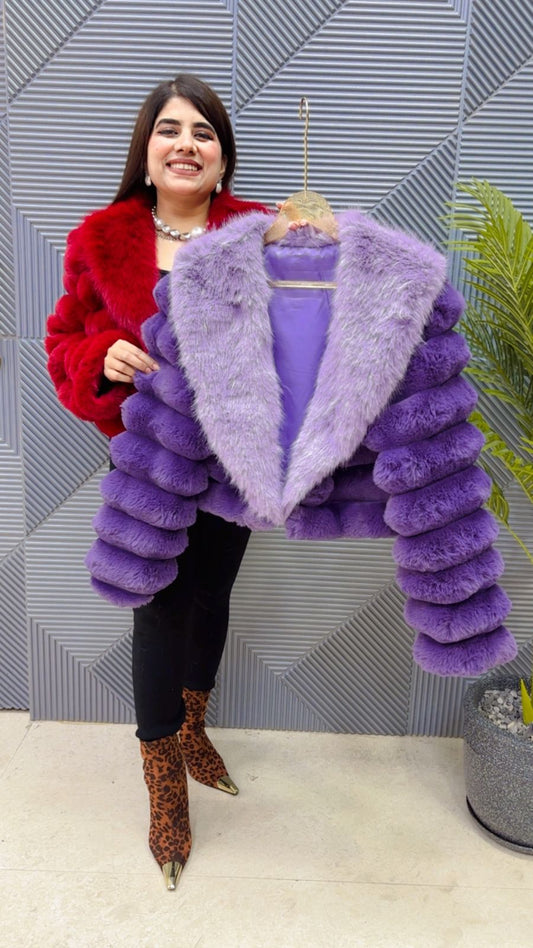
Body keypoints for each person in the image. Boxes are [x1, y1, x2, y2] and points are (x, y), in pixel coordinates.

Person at [46, 74, 270, 890]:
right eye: (170, 129)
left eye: (204, 132)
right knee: (159, 607)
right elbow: (62, 343)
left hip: (235, 462)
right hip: (147, 463)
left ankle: (195, 727)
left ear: (222, 159)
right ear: (146, 151)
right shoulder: (101, 239)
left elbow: (306, 337)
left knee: (211, 597)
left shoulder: (258, 235)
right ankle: (163, 781)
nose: (186, 143)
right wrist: (95, 356)